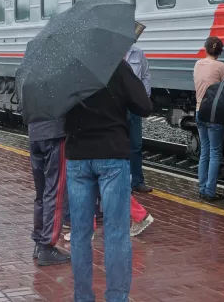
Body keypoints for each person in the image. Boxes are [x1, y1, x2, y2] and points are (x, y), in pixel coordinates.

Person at [65, 59, 153, 301]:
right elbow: (144, 106)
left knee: (80, 233)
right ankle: (117, 298)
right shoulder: (116, 65)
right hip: (113, 155)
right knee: (116, 233)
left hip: (78, 157)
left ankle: (82, 297)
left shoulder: (65, 70)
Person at [28, 118, 74, 265]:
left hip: (34, 133)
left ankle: (39, 242)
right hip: (55, 133)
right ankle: (47, 246)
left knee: (41, 193)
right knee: (56, 192)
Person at [193, 36, 224, 201]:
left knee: (204, 151)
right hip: (214, 114)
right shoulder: (221, 66)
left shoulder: (198, 64)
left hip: (199, 112)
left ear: (205, 48)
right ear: (220, 51)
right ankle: (210, 192)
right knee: (215, 153)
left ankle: (202, 188)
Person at [125, 44, 153, 194]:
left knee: (136, 145)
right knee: (120, 145)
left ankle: (137, 181)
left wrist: (145, 97)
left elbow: (145, 75)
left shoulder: (138, 52)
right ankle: (124, 182)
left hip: (134, 105)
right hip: (118, 107)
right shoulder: (111, 51)